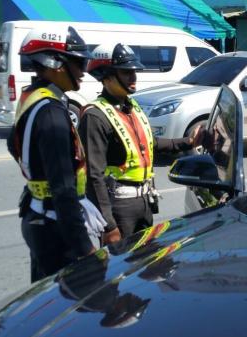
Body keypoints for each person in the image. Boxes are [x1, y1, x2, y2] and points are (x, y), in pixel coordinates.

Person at [79, 43, 205, 244]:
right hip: (119, 208)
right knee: (121, 270)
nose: (133, 77)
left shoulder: (131, 106)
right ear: (107, 76)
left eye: (134, 71)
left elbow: (149, 144)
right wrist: (108, 225)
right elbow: (94, 176)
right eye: (126, 72)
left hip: (144, 202)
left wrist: (188, 142)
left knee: (144, 265)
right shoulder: (95, 116)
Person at [7, 26, 102, 283]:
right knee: (72, 308)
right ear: (55, 63)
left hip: (37, 217)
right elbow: (62, 188)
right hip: (55, 228)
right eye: (79, 62)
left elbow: (11, 143)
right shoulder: (51, 113)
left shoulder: (34, 97)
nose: (84, 71)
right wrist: (84, 248)